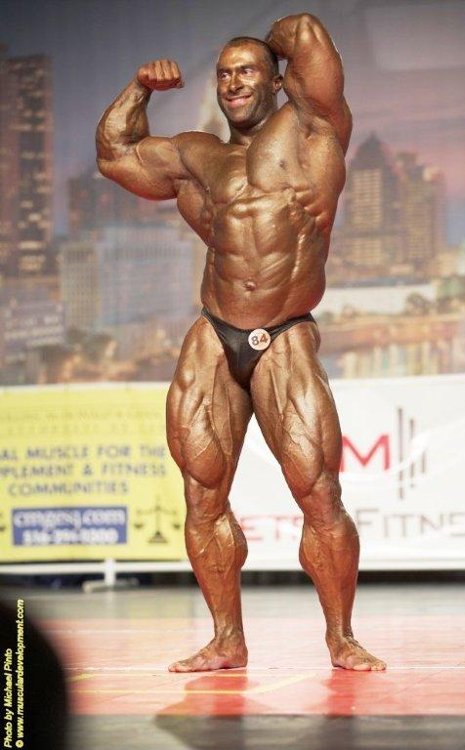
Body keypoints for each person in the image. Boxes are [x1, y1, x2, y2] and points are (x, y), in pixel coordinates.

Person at [96, 13, 386, 673]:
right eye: (224, 73)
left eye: (247, 71)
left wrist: (266, 44)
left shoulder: (312, 131)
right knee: (202, 496)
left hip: (284, 333)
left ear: (278, 81)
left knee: (318, 493)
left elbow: (305, 31)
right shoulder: (197, 156)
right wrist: (140, 88)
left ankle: (341, 637)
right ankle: (227, 639)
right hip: (214, 332)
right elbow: (114, 154)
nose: (232, 82)